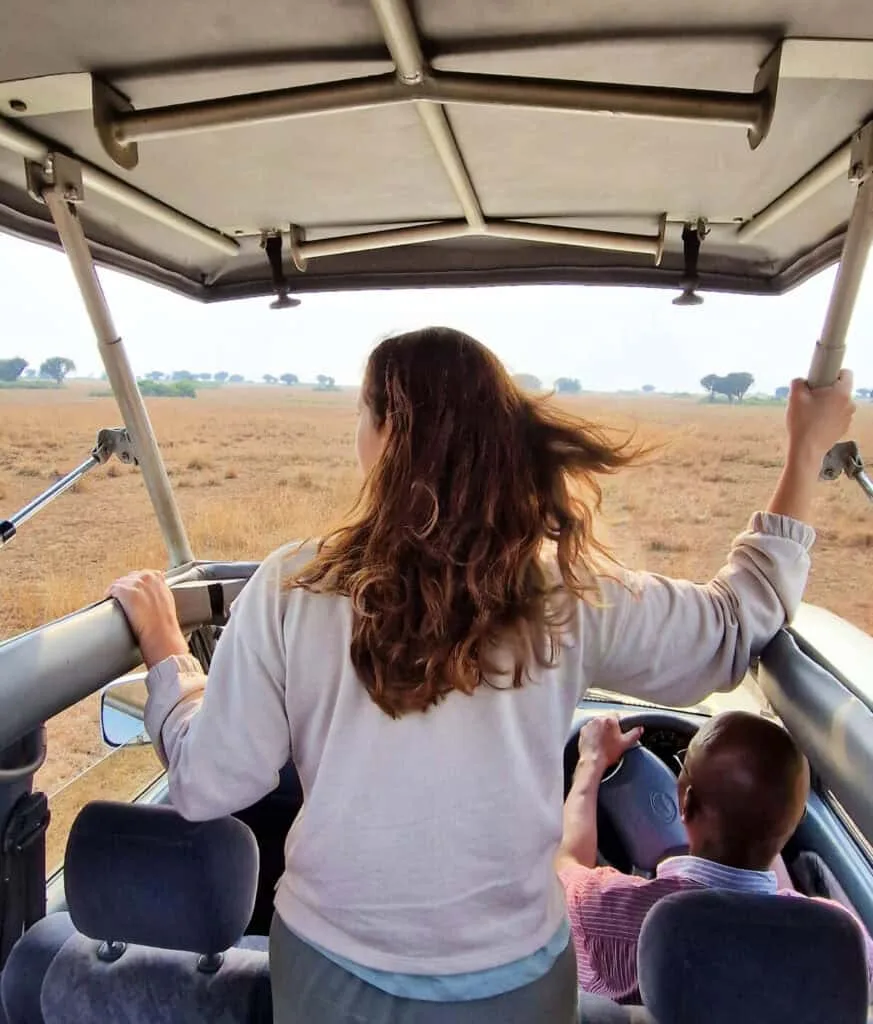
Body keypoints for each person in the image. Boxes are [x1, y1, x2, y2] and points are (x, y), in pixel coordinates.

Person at [108, 327, 854, 1024]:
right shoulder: (567, 594)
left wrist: (172, 660)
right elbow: (730, 628)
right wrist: (805, 450)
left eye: (362, 417)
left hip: (329, 968)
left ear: (387, 434)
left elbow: (211, 782)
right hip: (513, 978)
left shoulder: (290, 587)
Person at [558, 712, 873, 1004]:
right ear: (793, 822)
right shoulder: (841, 940)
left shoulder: (605, 911)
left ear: (685, 800)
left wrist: (592, 761)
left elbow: (565, 863)